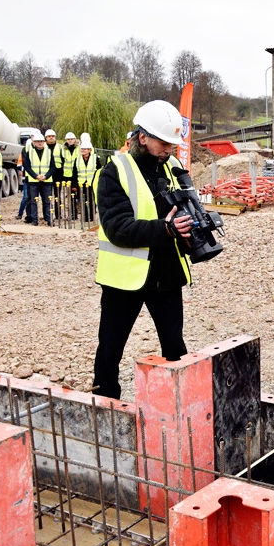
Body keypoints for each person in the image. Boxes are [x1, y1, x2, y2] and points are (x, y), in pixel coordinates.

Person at [92, 100, 195, 399]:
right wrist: (165, 229)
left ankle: (181, 401)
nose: (169, 150)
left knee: (175, 348)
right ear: (143, 137)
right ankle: (104, 400)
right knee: (111, 346)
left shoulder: (174, 167)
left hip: (168, 273)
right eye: (164, 143)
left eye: (173, 144)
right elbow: (117, 228)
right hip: (125, 279)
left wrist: (194, 233)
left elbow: (186, 210)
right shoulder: (114, 172)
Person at [22, 132, 55, 226]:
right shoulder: (29, 153)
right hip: (34, 181)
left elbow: (53, 167)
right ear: (34, 143)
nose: (39, 143)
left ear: (44, 142)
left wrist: (46, 176)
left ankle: (49, 219)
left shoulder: (49, 152)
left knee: (47, 201)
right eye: (37, 141)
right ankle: (34, 220)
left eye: (41, 141)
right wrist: (35, 176)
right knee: (33, 201)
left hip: (46, 181)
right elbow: (27, 166)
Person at [74, 138, 100, 221]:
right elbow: (74, 173)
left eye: (85, 149)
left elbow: (99, 171)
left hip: (92, 183)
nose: (83, 150)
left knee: (92, 201)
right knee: (83, 201)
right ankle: (85, 218)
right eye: (82, 149)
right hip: (81, 183)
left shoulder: (95, 158)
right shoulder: (77, 159)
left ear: (89, 150)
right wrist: (74, 185)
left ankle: (92, 217)